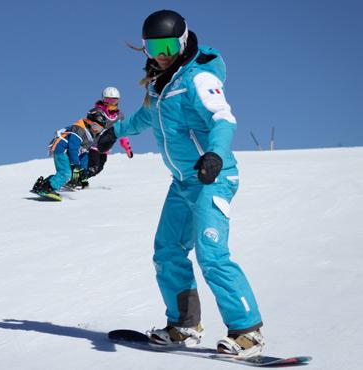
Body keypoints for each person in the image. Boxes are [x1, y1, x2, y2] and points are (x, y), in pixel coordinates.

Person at [97, 10, 264, 357]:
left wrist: (215, 155)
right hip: (183, 183)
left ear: (183, 41)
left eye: (168, 45)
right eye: (153, 46)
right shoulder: (161, 86)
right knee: (167, 252)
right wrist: (114, 131)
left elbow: (223, 116)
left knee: (211, 254)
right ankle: (184, 325)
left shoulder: (197, 78)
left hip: (212, 178)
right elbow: (146, 117)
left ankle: (248, 331)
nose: (161, 53)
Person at [31, 108, 108, 199]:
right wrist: (75, 164)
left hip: (67, 152)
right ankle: (47, 188)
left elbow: (84, 154)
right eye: (95, 127)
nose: (96, 130)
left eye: (99, 129)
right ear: (89, 121)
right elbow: (73, 148)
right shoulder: (80, 129)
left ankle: (43, 184)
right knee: (66, 174)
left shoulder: (90, 137)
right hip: (62, 150)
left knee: (70, 174)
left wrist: (83, 169)